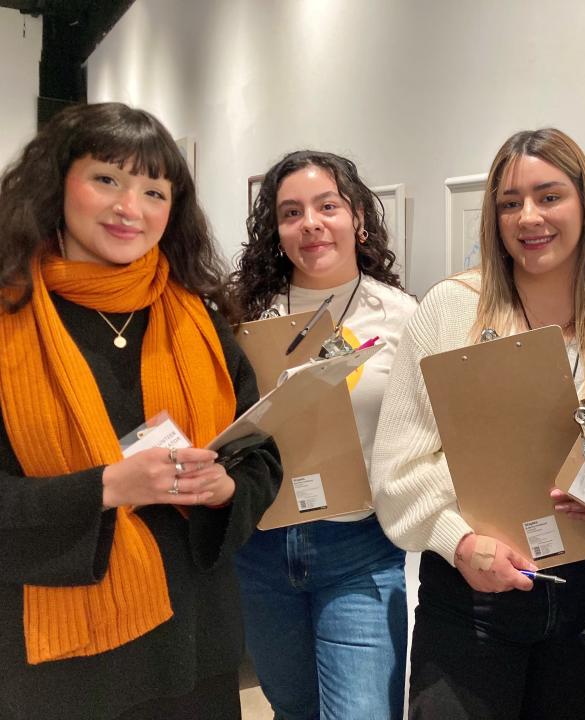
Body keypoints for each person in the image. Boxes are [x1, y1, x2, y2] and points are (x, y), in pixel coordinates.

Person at [0, 102, 282, 720]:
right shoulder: (8, 321)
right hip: (61, 671)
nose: (131, 208)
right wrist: (104, 488)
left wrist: (226, 486)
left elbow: (260, 451)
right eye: (107, 179)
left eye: (154, 190)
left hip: (195, 652)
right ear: (57, 183)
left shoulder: (199, 316)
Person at [370, 127, 585, 719]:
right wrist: (461, 542)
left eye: (549, 196)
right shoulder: (449, 311)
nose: (529, 217)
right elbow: (397, 471)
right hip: (472, 596)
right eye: (509, 202)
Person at [231, 150, 416, 720]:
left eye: (327, 206)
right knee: (291, 708)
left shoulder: (405, 318)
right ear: (276, 230)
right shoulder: (245, 316)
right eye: (291, 212)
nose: (310, 223)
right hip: (261, 546)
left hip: (358, 549)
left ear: (358, 217)